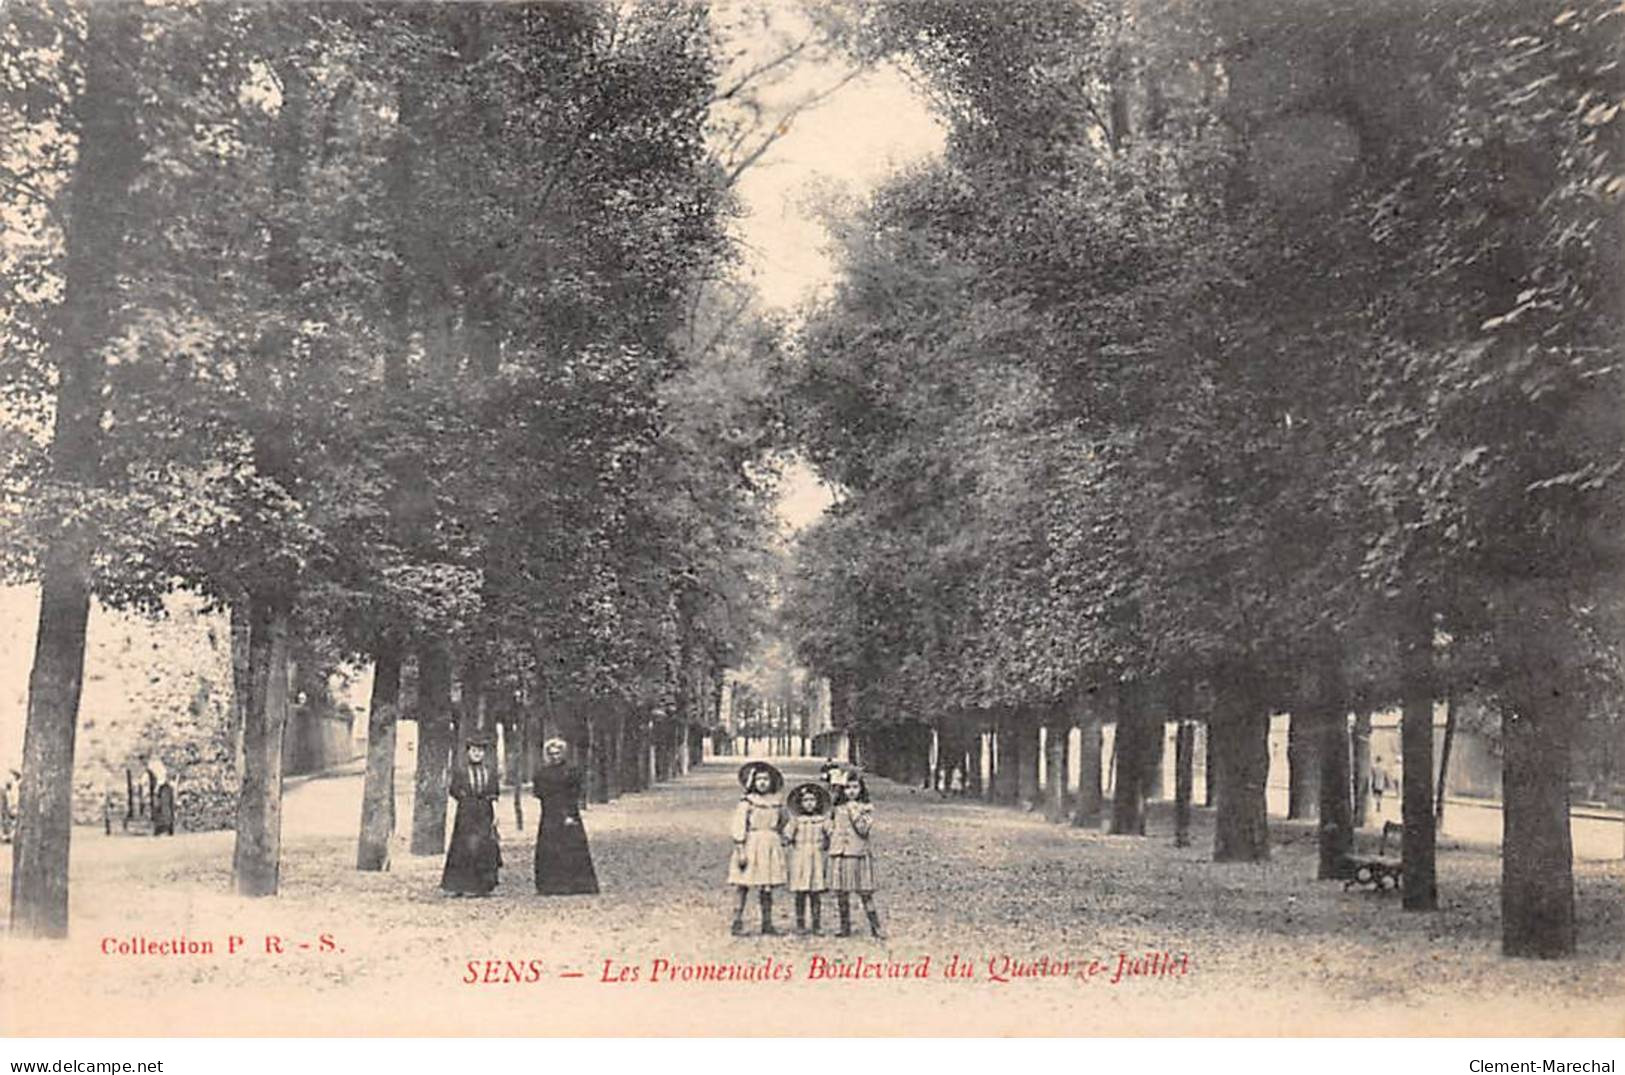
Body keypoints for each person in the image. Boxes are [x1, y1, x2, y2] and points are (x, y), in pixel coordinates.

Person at [728, 761, 788, 936]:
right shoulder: (747, 802)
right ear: (753, 781)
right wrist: (740, 849)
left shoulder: (777, 802)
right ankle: (737, 920)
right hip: (751, 843)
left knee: (766, 885)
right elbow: (739, 826)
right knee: (743, 884)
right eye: (759, 779)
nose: (762, 783)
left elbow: (784, 820)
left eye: (766, 779)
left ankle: (767, 923)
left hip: (770, 844)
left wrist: (777, 834)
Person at [533, 737, 599, 895]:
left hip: (569, 811)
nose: (555, 756)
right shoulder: (542, 773)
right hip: (550, 814)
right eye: (552, 753)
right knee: (550, 849)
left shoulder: (572, 771)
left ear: (563, 753)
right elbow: (539, 792)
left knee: (572, 847)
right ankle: (550, 885)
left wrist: (569, 813)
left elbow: (575, 792)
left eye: (558, 753)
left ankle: (576, 883)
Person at [442, 737, 502, 897]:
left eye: (480, 751)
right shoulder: (461, 771)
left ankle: (483, 886)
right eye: (474, 751)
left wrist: (495, 814)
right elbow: (454, 790)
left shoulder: (489, 771)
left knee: (484, 847)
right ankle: (461, 885)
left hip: (485, 811)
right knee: (464, 846)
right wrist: (466, 799)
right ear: (468, 752)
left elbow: (494, 793)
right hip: (466, 812)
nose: (477, 754)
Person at [828, 768, 884, 938]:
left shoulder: (866, 809)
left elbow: (863, 829)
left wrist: (854, 811)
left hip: (857, 853)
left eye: (855, 787)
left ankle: (876, 927)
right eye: (847, 788)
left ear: (861, 789)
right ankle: (845, 927)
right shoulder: (837, 808)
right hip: (840, 853)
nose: (851, 791)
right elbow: (831, 827)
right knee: (842, 892)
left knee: (865, 892)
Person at [784, 782, 832, 935]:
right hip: (800, 857)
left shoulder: (822, 820)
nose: (809, 803)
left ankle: (816, 924)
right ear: (800, 803)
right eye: (805, 800)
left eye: (812, 800)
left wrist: (828, 839)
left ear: (817, 802)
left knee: (815, 891)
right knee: (800, 891)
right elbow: (787, 837)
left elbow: (832, 833)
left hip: (816, 857)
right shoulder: (796, 820)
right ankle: (800, 923)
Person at [145, 755, 175, 836]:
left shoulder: (154, 764)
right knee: (159, 807)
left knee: (163, 807)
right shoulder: (152, 764)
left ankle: (165, 827)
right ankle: (162, 827)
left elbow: (161, 778)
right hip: (160, 786)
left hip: (163, 786)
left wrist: (156, 790)